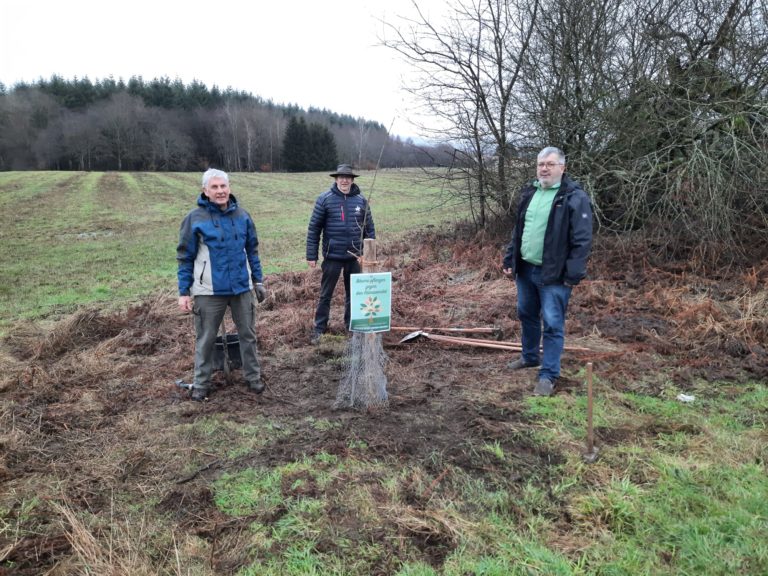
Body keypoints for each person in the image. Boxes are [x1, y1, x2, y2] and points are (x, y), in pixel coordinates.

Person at [502, 147, 592, 396]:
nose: (544, 168)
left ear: (562, 168)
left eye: (550, 164)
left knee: (552, 324)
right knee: (526, 314)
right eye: (541, 164)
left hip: (554, 274)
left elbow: (582, 240)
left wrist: (573, 273)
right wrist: (511, 258)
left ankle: (549, 374)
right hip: (526, 268)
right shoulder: (530, 193)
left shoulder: (573, 197)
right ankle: (530, 357)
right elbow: (519, 231)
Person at [177, 168, 267, 401]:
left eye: (223, 186)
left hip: (241, 288)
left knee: (248, 335)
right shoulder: (195, 219)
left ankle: (253, 378)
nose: (220, 191)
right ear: (205, 191)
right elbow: (185, 256)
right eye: (214, 187)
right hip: (209, 291)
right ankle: (201, 384)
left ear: (229, 188)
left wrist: (258, 281)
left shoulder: (243, 216)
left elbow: (252, 251)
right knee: (205, 338)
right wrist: (183, 292)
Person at [306, 164, 375, 344]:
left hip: (355, 257)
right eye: (341, 177)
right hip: (332, 257)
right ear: (336, 179)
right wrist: (311, 255)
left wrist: (369, 255)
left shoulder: (361, 201)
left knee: (354, 294)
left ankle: (351, 326)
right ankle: (319, 329)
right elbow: (314, 229)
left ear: (352, 180)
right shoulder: (325, 199)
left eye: (348, 177)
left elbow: (370, 229)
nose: (344, 180)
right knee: (325, 294)